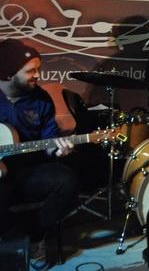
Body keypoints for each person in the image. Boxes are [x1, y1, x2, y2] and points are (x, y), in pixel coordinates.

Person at [0, 39, 78, 270]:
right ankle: (11, 238)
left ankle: (34, 237)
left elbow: (49, 138)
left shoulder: (41, 98)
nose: (37, 75)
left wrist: (57, 149)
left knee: (67, 181)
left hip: (29, 169)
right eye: (30, 71)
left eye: (38, 69)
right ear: (8, 73)